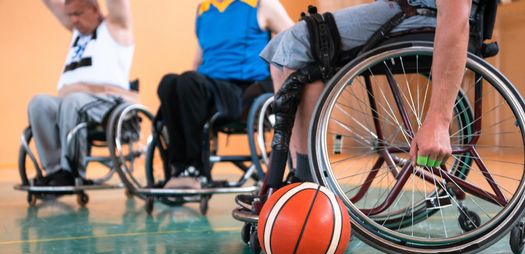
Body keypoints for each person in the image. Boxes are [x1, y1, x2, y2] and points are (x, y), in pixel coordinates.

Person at [260, 0, 471, 182]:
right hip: (408, 7)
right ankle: (301, 176)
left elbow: (456, 13)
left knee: (297, 41)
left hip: (425, 11)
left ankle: (307, 183)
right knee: (282, 47)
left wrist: (439, 119)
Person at [157, 0, 294, 189]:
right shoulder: (204, 9)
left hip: (244, 91)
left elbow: (297, 41)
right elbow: (198, 60)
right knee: (169, 82)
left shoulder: (261, 5)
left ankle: (195, 170)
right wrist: (180, 93)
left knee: (188, 81)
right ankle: (179, 168)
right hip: (207, 89)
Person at [28, 0, 135, 186]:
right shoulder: (77, 31)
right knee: (39, 103)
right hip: (72, 102)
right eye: (70, 15)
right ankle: (55, 171)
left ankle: (73, 171)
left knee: (73, 101)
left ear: (94, 10)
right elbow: (52, 4)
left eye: (78, 14)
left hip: (107, 102)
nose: (73, 20)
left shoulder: (116, 27)